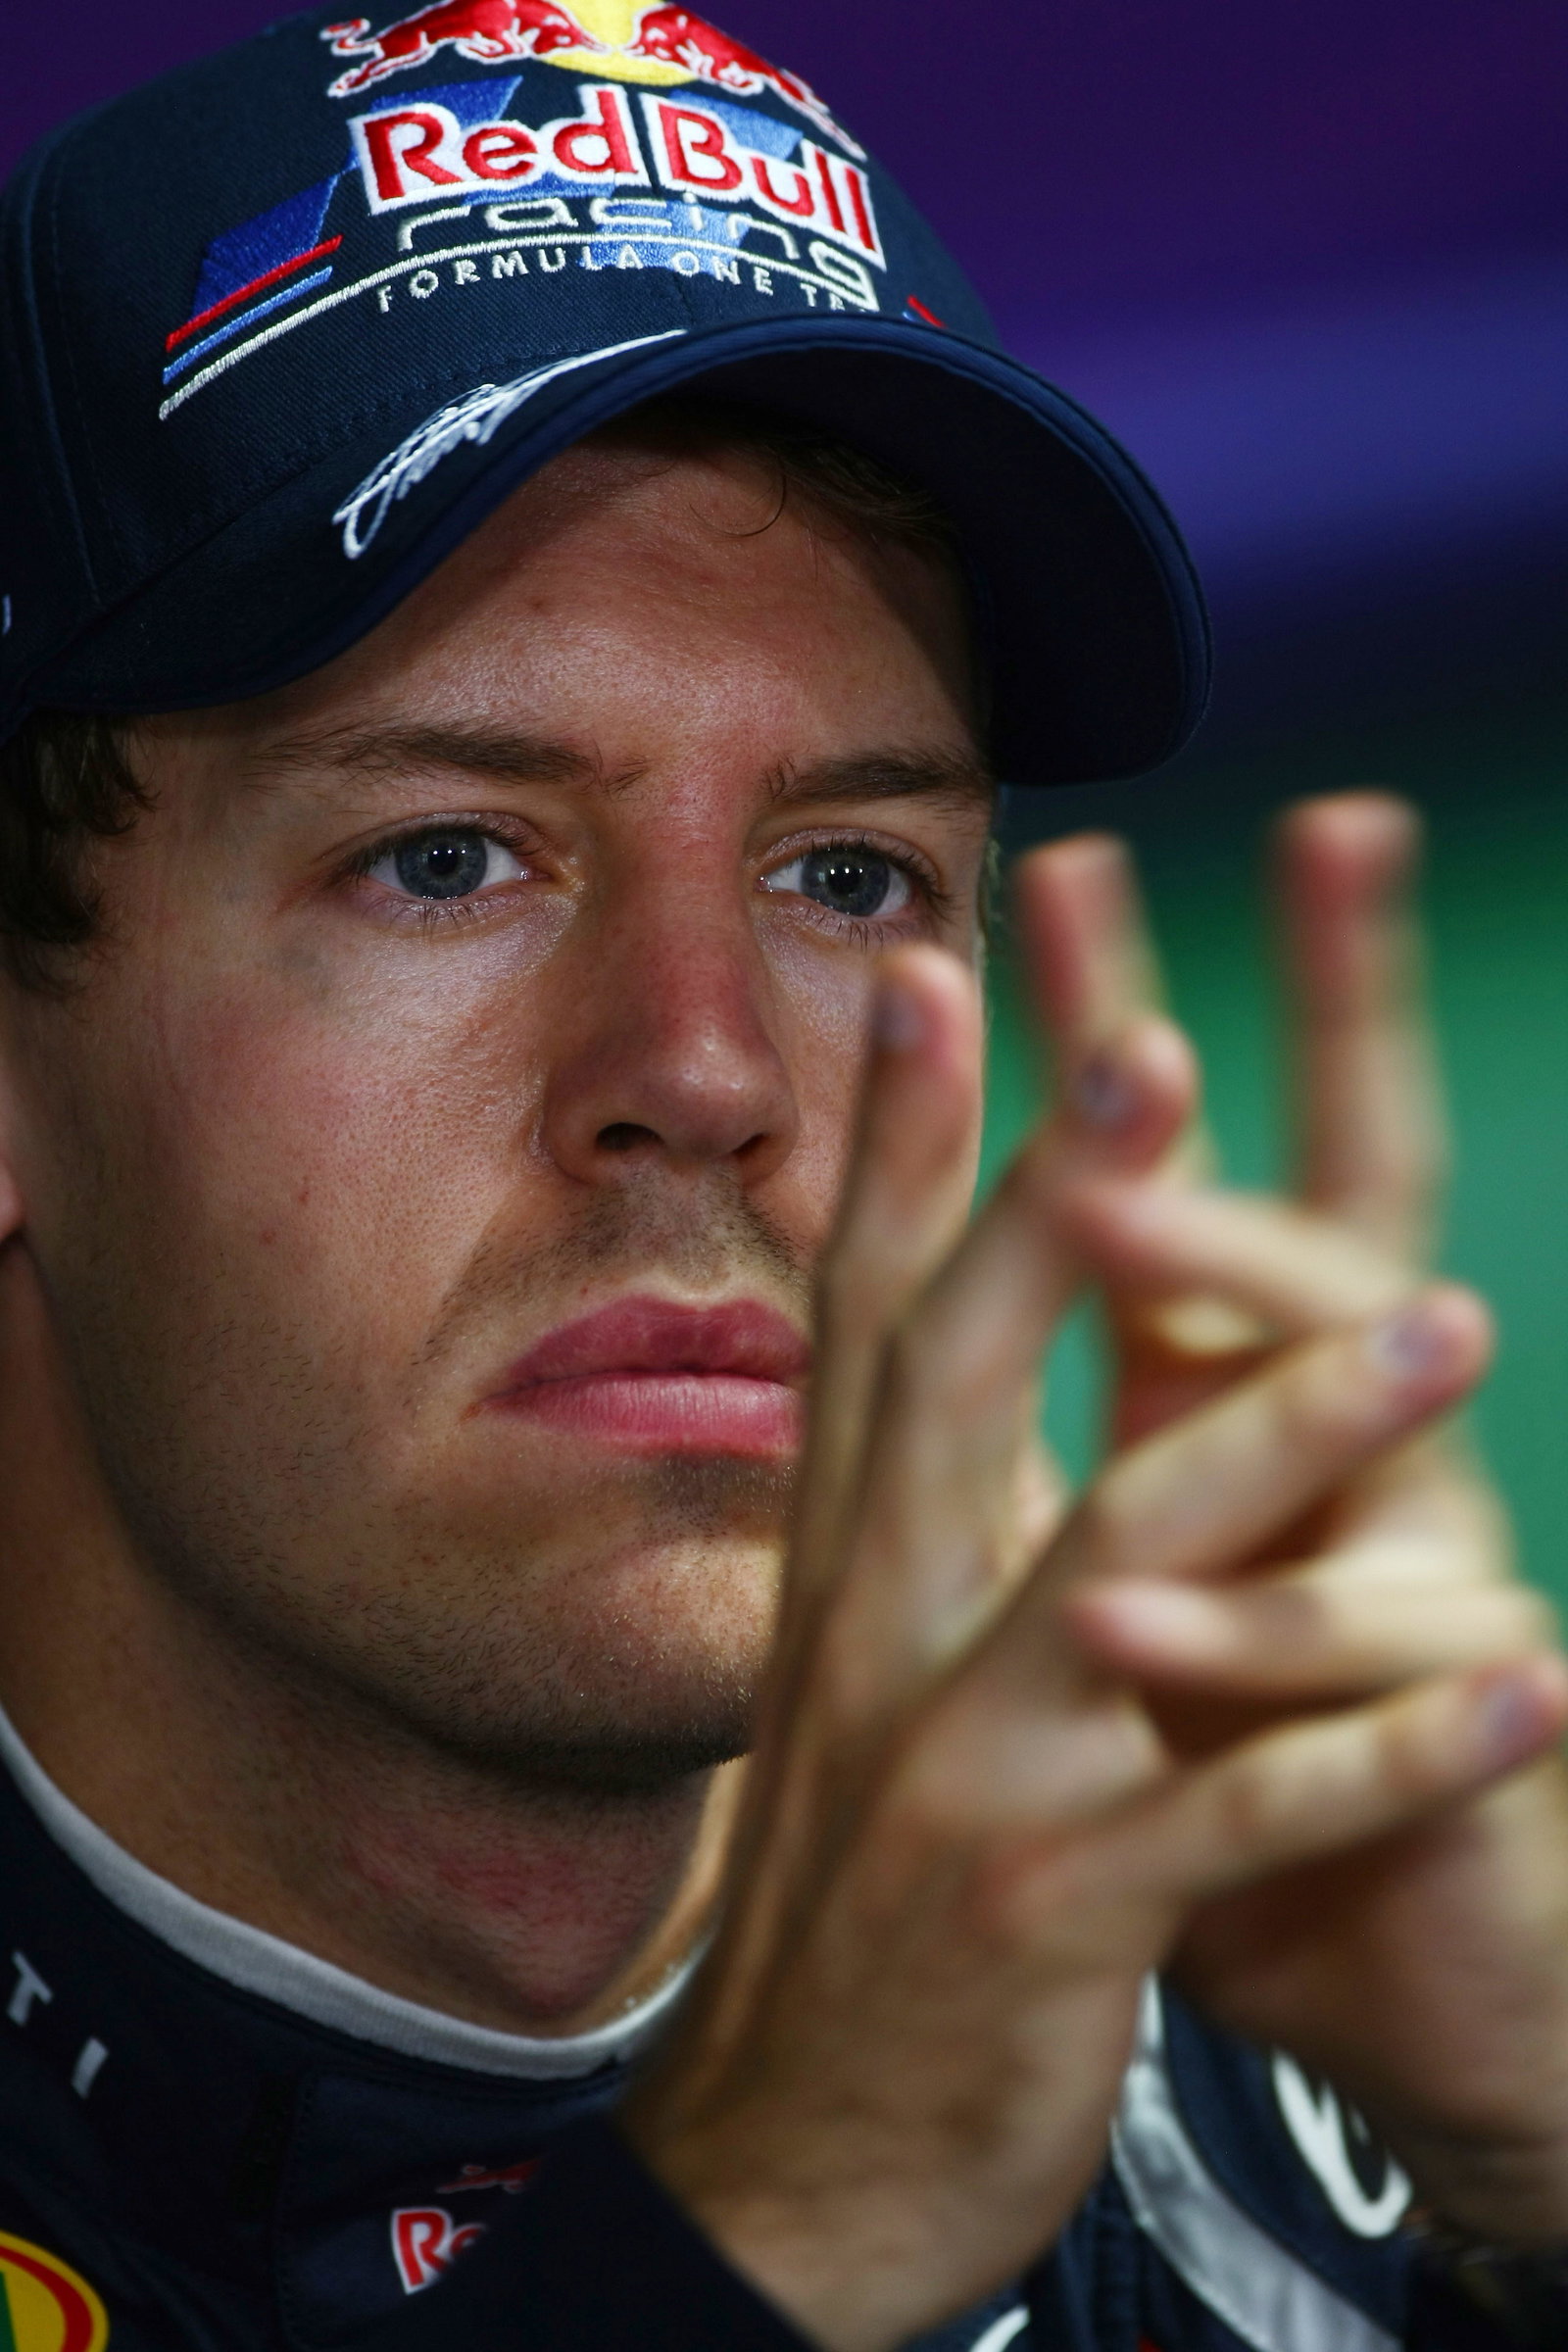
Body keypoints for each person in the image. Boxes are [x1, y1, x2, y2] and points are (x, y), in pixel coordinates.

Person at [0, 7, 1564, 2349]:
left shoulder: (1347, 2017)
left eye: (843, 877)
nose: (707, 1068)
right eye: (446, 856)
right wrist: (769, 2231)